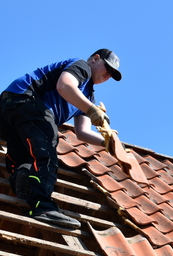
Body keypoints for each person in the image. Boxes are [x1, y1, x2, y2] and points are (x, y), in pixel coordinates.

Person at [0, 49, 122, 229]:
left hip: (13, 115)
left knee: (26, 159)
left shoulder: (88, 96)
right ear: (96, 59)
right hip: (27, 99)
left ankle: (23, 180)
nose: (108, 75)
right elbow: (64, 86)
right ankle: (43, 208)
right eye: (108, 68)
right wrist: (92, 110)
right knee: (47, 151)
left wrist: (107, 143)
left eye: (112, 74)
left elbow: (82, 132)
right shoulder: (82, 67)